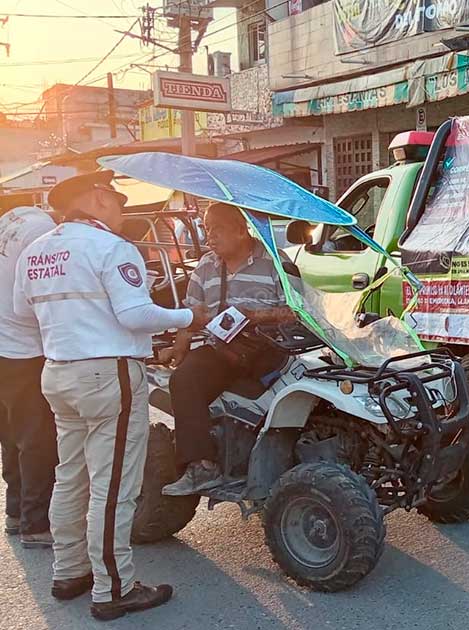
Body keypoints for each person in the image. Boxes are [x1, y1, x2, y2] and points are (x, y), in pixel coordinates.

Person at [13, 171, 205, 621]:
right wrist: (186, 316)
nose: (121, 211)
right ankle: (113, 588)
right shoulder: (111, 248)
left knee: (71, 476)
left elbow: (24, 311)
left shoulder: (37, 251)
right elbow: (136, 314)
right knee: (113, 485)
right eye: (117, 202)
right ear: (97, 199)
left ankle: (70, 572)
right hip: (108, 375)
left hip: (59, 373)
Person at [160, 202, 294, 496]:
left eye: (218, 228)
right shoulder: (206, 266)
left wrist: (255, 315)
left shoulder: (275, 260)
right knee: (184, 379)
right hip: (221, 351)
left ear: (240, 229)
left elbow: (298, 312)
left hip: (269, 349)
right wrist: (177, 350)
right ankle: (202, 466)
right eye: (207, 229)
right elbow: (191, 314)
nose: (211, 236)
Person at [0, 205, 58, 548]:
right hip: (24, 349)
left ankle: (17, 511)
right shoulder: (43, 232)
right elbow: (38, 297)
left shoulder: (12, 221)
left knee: (12, 433)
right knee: (37, 438)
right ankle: (35, 523)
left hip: (5, 345)